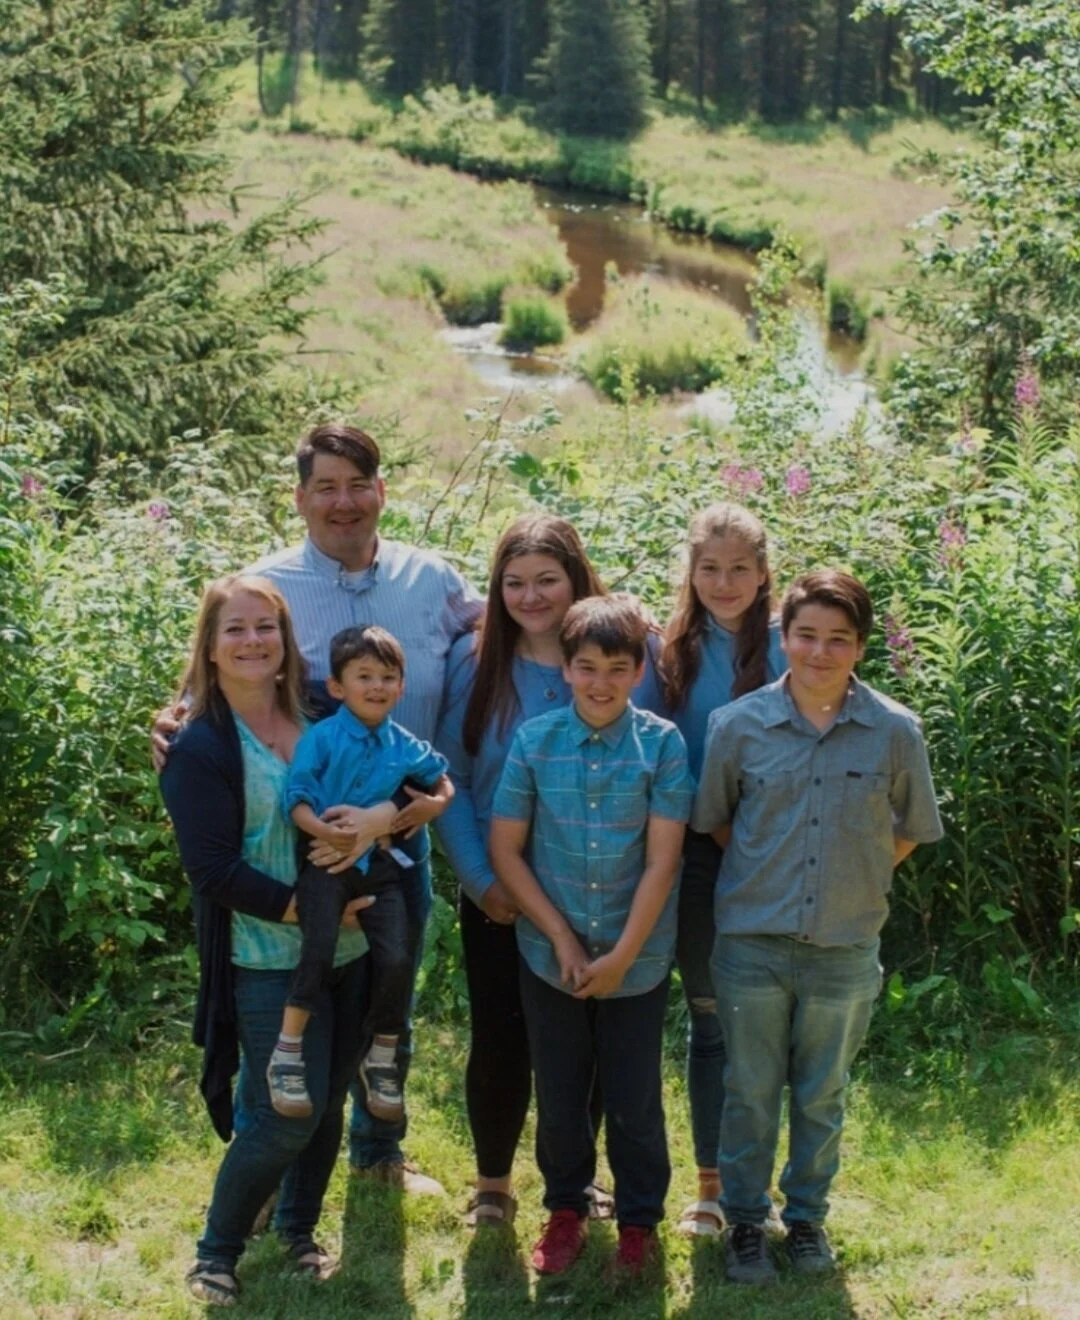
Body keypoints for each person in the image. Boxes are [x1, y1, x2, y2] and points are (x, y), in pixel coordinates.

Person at [154, 422, 481, 1193]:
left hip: (403, 829)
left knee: (387, 985)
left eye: (357, 484)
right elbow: (224, 667)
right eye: (325, 487)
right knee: (289, 1001)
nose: (343, 502)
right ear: (300, 499)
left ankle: (377, 1150)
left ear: (382, 492)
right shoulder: (268, 584)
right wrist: (173, 721)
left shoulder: (431, 580)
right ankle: (262, 1168)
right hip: (310, 839)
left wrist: (623, 615)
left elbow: (513, 625)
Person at [691, 570, 943, 1285]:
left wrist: (854, 875)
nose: (820, 652)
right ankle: (744, 1221)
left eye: (838, 640)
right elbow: (715, 821)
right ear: (784, 638)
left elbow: (910, 830)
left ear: (861, 647)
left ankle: (805, 1219)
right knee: (749, 1088)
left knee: (821, 1091)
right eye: (806, 635)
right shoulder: (736, 726)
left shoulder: (895, 731)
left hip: (844, 944)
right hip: (752, 944)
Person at [159, 575, 397, 1305]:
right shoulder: (199, 744)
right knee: (281, 1113)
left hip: (350, 952)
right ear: (210, 644)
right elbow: (211, 868)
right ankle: (215, 1253)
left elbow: (400, 773)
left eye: (266, 627)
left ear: (287, 639)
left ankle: (296, 1232)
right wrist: (307, 912)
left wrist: (387, 816)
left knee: (326, 1100)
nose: (253, 641)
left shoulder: (327, 711)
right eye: (236, 629)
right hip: (263, 959)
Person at [434, 514, 666, 1228]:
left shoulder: (631, 651)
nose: (531, 597)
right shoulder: (475, 663)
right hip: (503, 890)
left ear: (577, 578)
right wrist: (483, 881)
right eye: (514, 583)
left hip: (601, 890)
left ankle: (581, 1183)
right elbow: (452, 775)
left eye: (547, 580)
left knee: (591, 1043)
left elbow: (656, 758)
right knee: (503, 1038)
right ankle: (494, 1183)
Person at [490, 594, 695, 1277]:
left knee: (635, 1097)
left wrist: (625, 954)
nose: (600, 682)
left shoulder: (663, 746)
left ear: (640, 670)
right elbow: (507, 849)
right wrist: (564, 941)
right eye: (586, 667)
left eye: (616, 667)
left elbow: (664, 858)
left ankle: (640, 1221)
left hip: (637, 958)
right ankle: (566, 1209)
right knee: (560, 1090)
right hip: (552, 956)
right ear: (566, 669)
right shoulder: (535, 741)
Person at [660, 503, 786, 1239]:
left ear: (764, 571)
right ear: (691, 571)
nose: (725, 581)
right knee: (711, 1018)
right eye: (710, 567)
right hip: (695, 853)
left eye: (740, 567)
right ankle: (710, 1187)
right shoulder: (667, 647)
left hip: (772, 850)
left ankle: (758, 1188)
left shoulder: (786, 643)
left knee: (768, 1025)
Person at [274, 625, 453, 1124]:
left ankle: (382, 1055)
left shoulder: (402, 742)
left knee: (398, 958)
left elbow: (437, 774)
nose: (376, 687)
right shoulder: (323, 737)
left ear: (401, 686)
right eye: (364, 676)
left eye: (388, 677)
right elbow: (299, 798)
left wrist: (437, 801)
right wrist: (320, 833)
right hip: (326, 863)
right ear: (337, 687)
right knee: (317, 950)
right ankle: (287, 1051)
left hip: (379, 869)